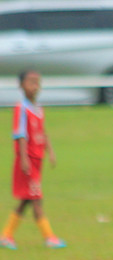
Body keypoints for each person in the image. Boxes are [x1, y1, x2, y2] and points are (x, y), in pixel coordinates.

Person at [0, 70, 64, 250]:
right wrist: (23, 158)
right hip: (27, 161)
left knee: (27, 199)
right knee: (36, 199)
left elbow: (43, 132)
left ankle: (6, 235)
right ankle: (49, 237)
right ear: (21, 85)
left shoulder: (39, 109)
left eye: (37, 82)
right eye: (31, 82)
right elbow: (20, 135)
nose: (35, 86)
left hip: (37, 160)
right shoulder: (21, 109)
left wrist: (50, 151)